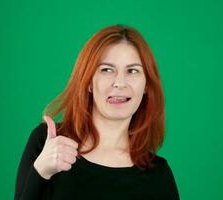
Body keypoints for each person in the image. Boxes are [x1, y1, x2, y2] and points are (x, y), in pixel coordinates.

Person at [14, 24, 180, 200]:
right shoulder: (48, 144)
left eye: (132, 71)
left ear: (146, 85)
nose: (120, 83)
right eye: (107, 70)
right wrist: (41, 170)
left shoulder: (159, 176)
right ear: (88, 82)